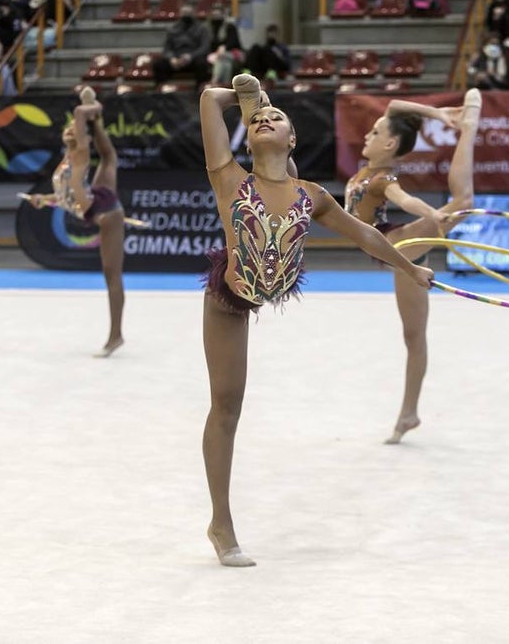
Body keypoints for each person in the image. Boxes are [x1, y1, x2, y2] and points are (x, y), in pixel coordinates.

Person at [200, 75, 435, 567]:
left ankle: (222, 523)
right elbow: (209, 99)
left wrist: (409, 268)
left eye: (277, 118)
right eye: (259, 121)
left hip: (272, 279)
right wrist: (251, 100)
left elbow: (366, 236)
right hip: (230, 298)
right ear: (247, 136)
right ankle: (221, 524)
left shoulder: (312, 195)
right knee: (226, 407)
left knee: (231, 406)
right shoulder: (228, 176)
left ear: (293, 141)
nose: (267, 120)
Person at [343, 89, 480, 443]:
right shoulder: (367, 173)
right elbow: (393, 107)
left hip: (398, 245)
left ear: (389, 145)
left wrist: (433, 214)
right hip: (402, 258)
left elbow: (405, 200)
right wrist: (440, 115)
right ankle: (409, 414)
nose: (367, 135)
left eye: (375, 132)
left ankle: (469, 129)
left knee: (462, 201)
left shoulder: (382, 179)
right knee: (413, 336)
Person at [23, 88, 128, 357]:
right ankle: (96, 120)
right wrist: (44, 199)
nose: (71, 129)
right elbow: (67, 195)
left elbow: (81, 113)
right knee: (109, 160)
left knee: (111, 275)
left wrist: (91, 109)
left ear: (85, 137)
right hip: (94, 204)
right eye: (68, 128)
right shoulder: (67, 160)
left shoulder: (81, 153)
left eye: (76, 128)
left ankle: (116, 336)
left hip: (107, 215)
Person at [152, 4, 212, 87]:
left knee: (202, 64)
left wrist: (190, 56)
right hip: (176, 59)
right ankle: (163, 89)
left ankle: (200, 90)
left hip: (193, 58)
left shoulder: (201, 28)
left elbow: (204, 47)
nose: (186, 15)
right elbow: (167, 48)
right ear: (180, 14)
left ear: (193, 13)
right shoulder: (173, 28)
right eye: (184, 12)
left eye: (189, 12)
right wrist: (172, 58)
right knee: (158, 64)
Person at [207, 5, 244, 85]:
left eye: (218, 15)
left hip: (232, 53)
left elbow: (234, 42)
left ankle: (214, 82)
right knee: (225, 62)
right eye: (214, 15)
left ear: (223, 15)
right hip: (216, 55)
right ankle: (225, 85)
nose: (216, 17)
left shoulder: (230, 26)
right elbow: (209, 45)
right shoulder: (208, 28)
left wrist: (224, 47)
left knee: (222, 57)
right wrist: (217, 52)